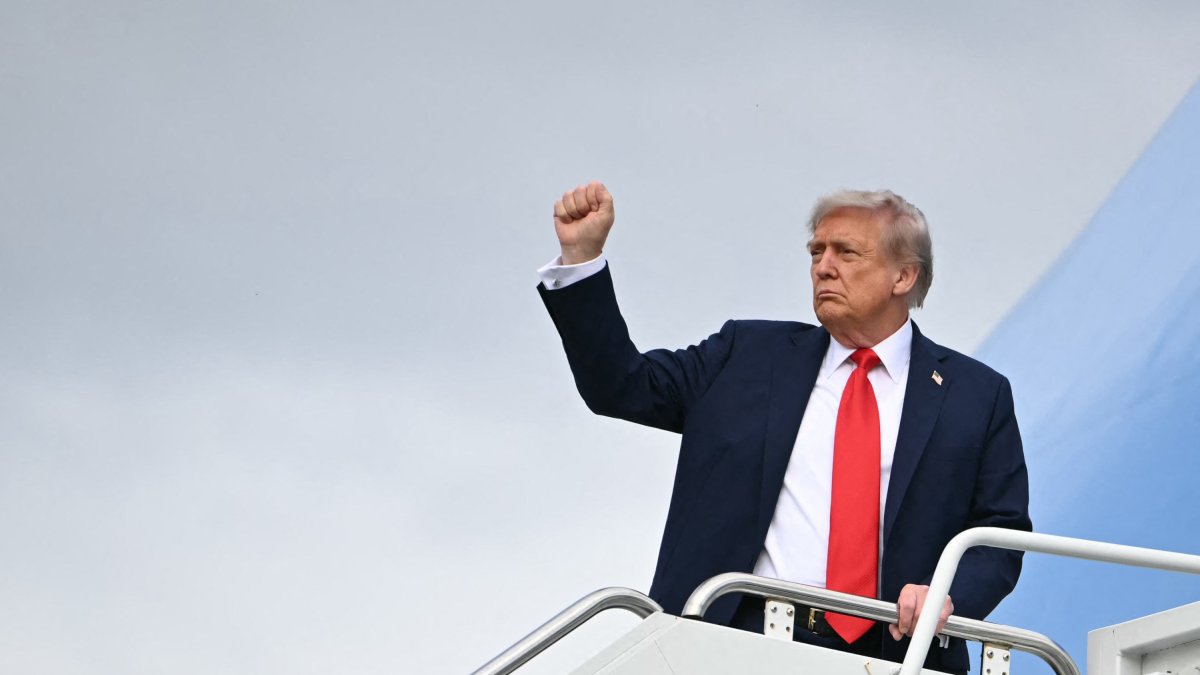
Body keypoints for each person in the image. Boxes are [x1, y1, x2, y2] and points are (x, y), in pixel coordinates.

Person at [536, 181, 1031, 674]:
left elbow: (1000, 534)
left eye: (846, 252)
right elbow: (621, 386)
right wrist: (582, 259)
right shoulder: (744, 354)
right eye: (817, 251)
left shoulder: (976, 395)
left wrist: (948, 596)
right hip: (731, 642)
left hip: (896, 656)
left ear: (903, 276)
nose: (823, 266)